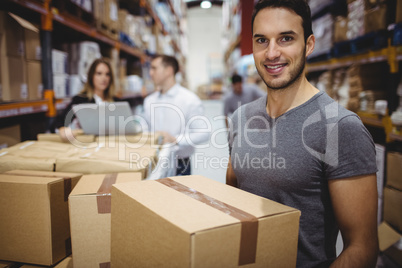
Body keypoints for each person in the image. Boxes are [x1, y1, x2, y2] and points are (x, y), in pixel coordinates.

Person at [226, 1, 378, 267]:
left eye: (286, 38)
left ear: (308, 45)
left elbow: (362, 248)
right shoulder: (240, 118)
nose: (272, 53)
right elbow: (232, 201)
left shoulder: (341, 127)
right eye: (262, 40)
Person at [143, 55, 209, 175]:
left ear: (169, 71)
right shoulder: (149, 101)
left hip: (180, 165)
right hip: (152, 161)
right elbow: (146, 129)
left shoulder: (189, 100)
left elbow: (204, 133)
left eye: (154, 68)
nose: (150, 73)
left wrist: (176, 139)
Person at [54, 58, 119, 141]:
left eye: (107, 74)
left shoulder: (117, 101)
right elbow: (59, 121)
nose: (104, 78)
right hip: (89, 144)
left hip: (113, 144)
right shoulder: (80, 100)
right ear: (91, 76)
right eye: (99, 73)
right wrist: (63, 129)